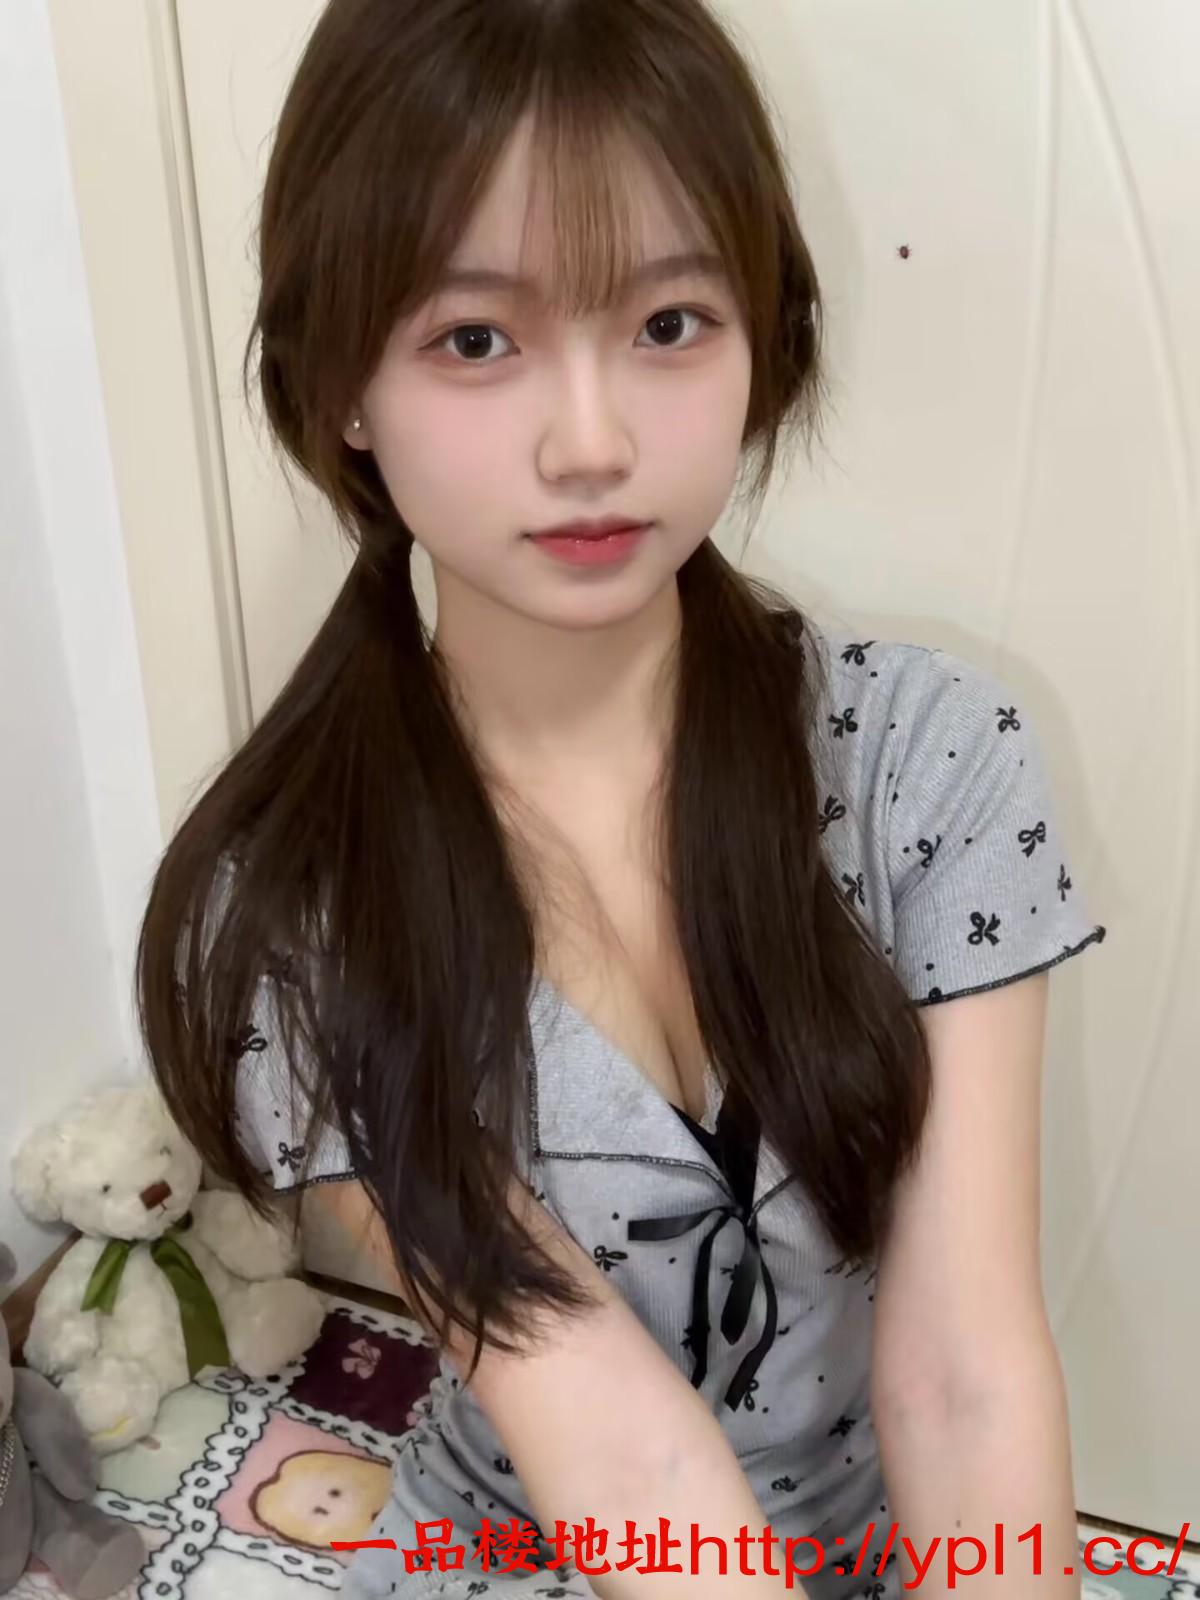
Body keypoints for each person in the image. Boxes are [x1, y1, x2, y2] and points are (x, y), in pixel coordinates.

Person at [136, 1, 1108, 1596]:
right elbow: (622, 1451)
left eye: (668, 323)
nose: (592, 443)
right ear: (343, 387)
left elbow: (965, 1375)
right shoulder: (297, 905)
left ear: (763, 339)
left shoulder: (928, 758)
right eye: (476, 339)